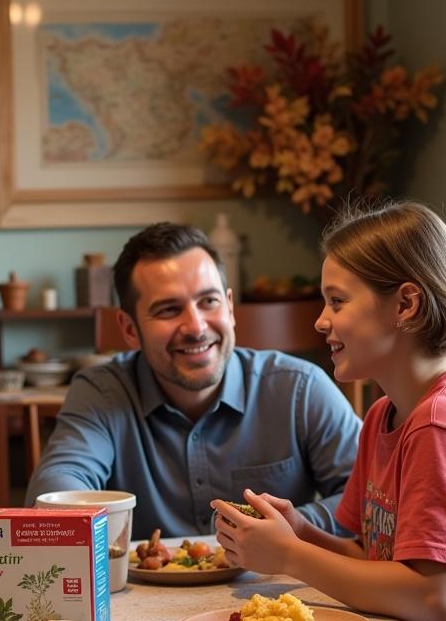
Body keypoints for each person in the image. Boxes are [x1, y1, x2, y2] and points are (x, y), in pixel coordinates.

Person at [214, 202, 446, 621]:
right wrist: (302, 533)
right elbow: (377, 561)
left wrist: (289, 557)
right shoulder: (385, 415)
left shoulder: (444, 426)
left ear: (405, 304)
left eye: (337, 301)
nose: (321, 320)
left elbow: (436, 601)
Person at [25, 222, 361, 539]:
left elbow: (371, 497)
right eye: (169, 310)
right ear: (129, 329)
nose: (197, 327)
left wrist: (291, 528)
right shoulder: (101, 394)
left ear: (229, 308)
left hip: (278, 596)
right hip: (148, 600)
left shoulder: (298, 388)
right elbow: (54, 494)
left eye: (208, 301)